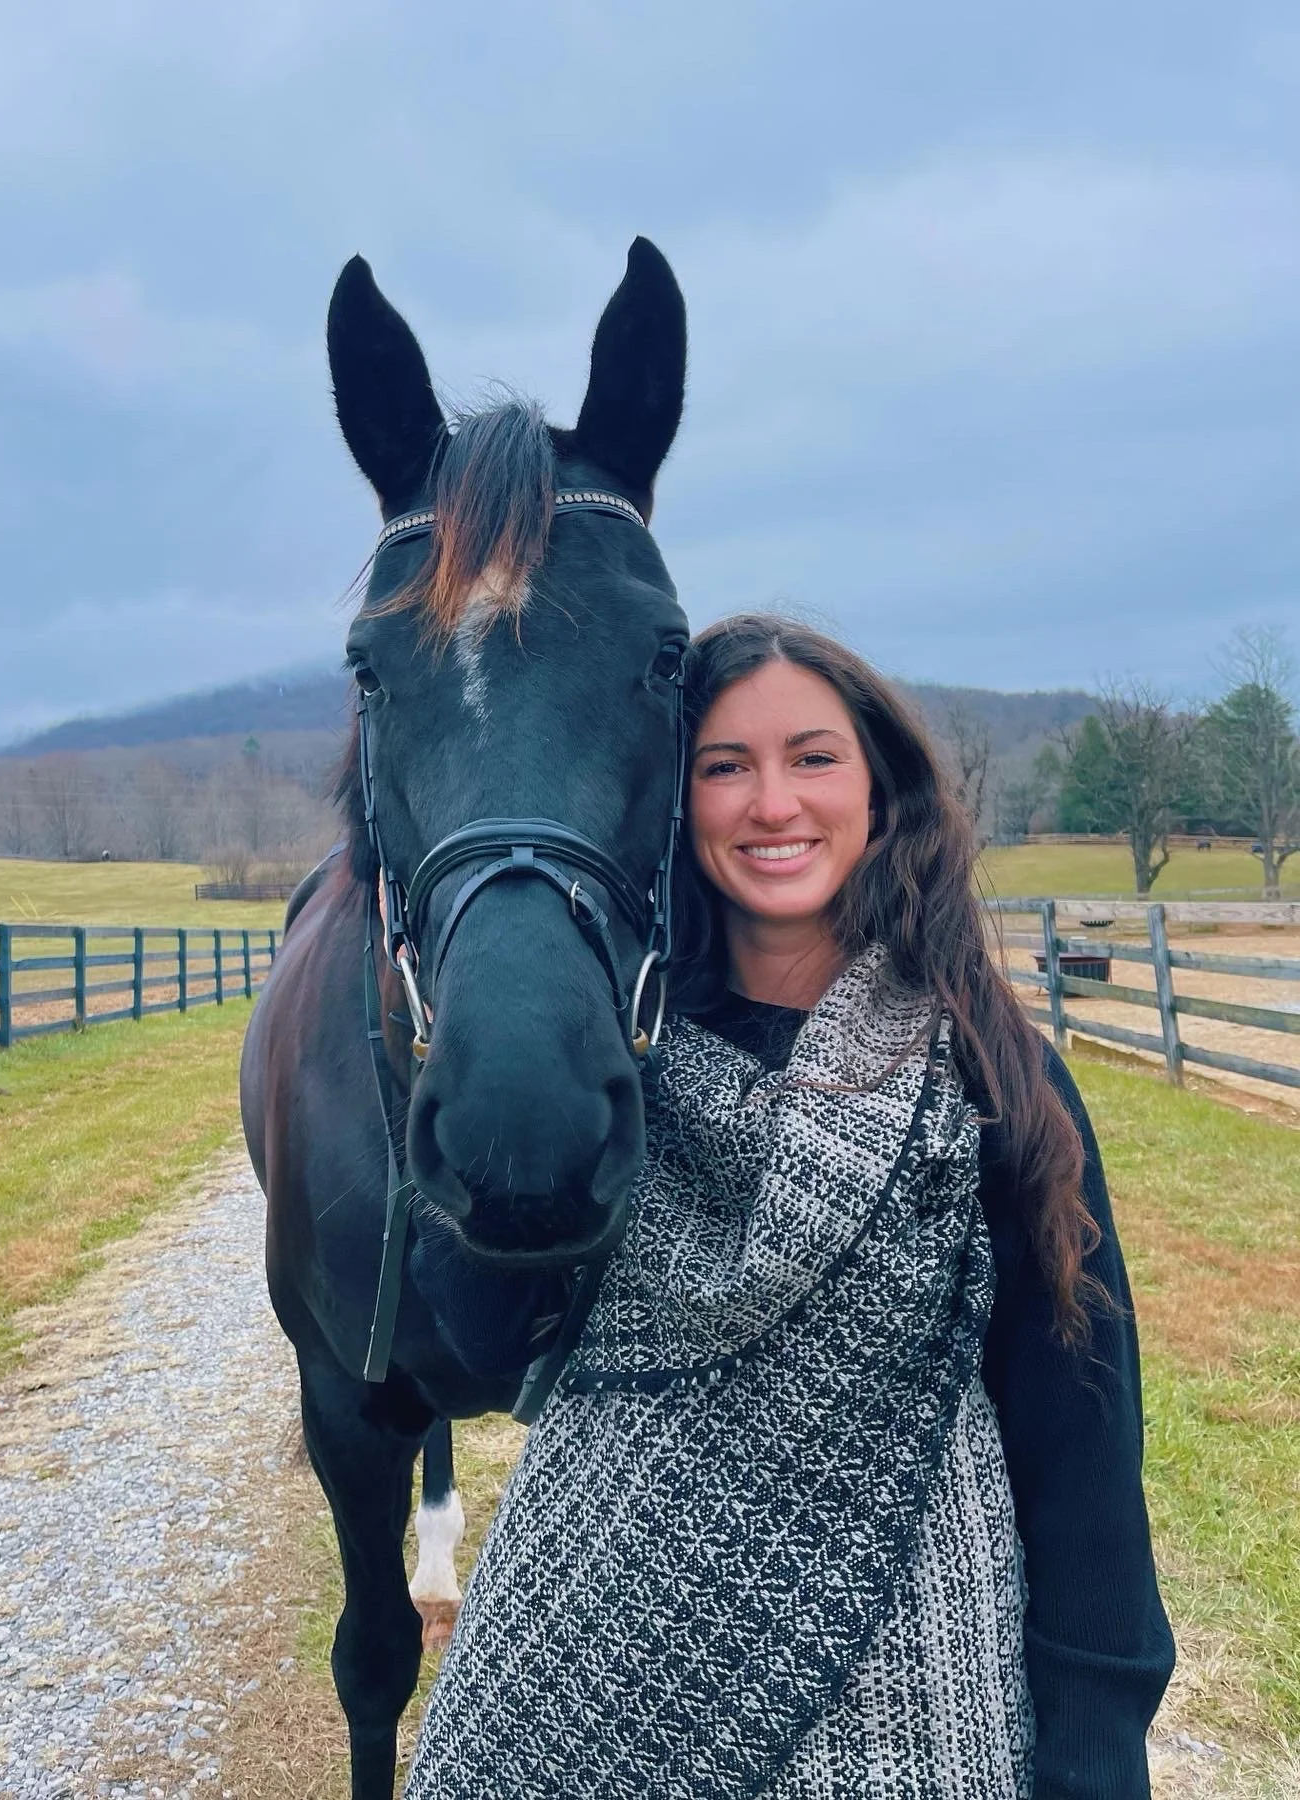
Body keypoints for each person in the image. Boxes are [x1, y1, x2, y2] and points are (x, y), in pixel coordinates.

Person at [404, 615, 1175, 1799]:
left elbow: (1082, 1449)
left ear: (879, 788)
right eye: (725, 766)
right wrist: (486, 1074)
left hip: (917, 1688)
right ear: (673, 801)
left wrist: (1096, 1751)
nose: (774, 803)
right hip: (594, 1678)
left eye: (813, 758)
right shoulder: (619, 1080)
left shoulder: (989, 1079)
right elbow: (487, 1347)